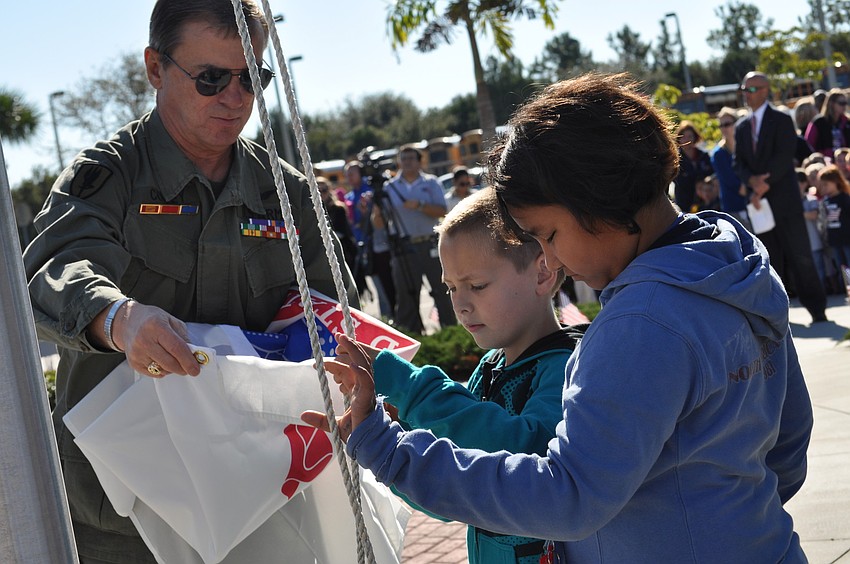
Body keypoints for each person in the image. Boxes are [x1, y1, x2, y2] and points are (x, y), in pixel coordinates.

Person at [304, 73, 813, 563]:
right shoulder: (735, 265)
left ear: (598, 202)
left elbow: (567, 496)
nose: (551, 259)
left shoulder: (643, 323)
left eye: (547, 234)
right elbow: (788, 445)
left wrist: (389, 449)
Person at [23, 1, 357, 561]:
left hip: (258, 491)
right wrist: (118, 318)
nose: (235, 98)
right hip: (126, 511)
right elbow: (54, 268)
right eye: (211, 78)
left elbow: (334, 312)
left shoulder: (288, 192)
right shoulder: (109, 177)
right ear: (156, 68)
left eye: (253, 79)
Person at [340, 187, 579, 563]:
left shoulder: (566, 368)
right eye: (451, 287)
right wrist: (383, 441)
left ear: (543, 274)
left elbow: (523, 453)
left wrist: (410, 387)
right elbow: (455, 492)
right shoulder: (490, 369)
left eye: (477, 285)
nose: (461, 304)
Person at [734, 71, 828, 323]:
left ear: (765, 90)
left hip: (784, 201)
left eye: (752, 89)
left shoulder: (782, 119)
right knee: (770, 260)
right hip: (760, 205)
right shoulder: (742, 126)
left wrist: (762, 185)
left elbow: (785, 156)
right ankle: (777, 316)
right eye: (745, 89)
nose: (746, 93)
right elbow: (739, 163)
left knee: (800, 255)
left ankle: (817, 310)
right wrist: (752, 183)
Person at [379, 145, 456, 333]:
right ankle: (413, 337)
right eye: (403, 158)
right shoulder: (389, 187)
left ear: (419, 161)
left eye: (411, 158)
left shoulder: (431, 183)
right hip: (404, 247)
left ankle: (450, 334)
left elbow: (442, 211)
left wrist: (420, 205)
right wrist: (373, 211)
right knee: (406, 296)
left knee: (442, 291)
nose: (407, 162)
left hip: (430, 244)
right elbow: (379, 224)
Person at [344, 160, 396, 320]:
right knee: (378, 284)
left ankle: (393, 315)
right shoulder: (349, 197)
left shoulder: (372, 191)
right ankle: (387, 317)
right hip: (363, 245)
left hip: (381, 243)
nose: (349, 177)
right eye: (347, 174)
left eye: (352, 173)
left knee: (390, 282)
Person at [711, 106, 752, 231]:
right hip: (735, 210)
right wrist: (755, 188)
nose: (723, 128)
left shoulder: (745, 147)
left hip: (753, 204)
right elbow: (735, 184)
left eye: (727, 124)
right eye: (721, 125)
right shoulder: (718, 154)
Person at [318, 176, 358, 275]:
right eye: (318, 190)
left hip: (342, 251)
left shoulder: (338, 208)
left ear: (329, 190)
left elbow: (344, 232)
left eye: (324, 190)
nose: (321, 193)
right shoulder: (311, 211)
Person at [672, 120, 713, 213]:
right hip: (684, 202)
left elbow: (712, 173)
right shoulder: (676, 159)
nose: (687, 140)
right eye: (684, 137)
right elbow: (676, 179)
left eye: (690, 136)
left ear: (695, 137)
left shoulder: (703, 155)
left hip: (705, 201)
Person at [818, 164, 850, 269]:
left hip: (847, 239)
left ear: (835, 181)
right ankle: (845, 285)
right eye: (821, 185)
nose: (823, 188)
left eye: (826, 184)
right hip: (834, 240)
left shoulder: (845, 198)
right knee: (841, 267)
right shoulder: (825, 201)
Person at [804, 88, 850, 159]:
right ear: (831, 103)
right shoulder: (818, 122)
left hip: (846, 162)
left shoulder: (847, 122)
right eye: (841, 103)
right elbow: (809, 144)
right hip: (826, 161)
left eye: (845, 103)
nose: (844, 106)